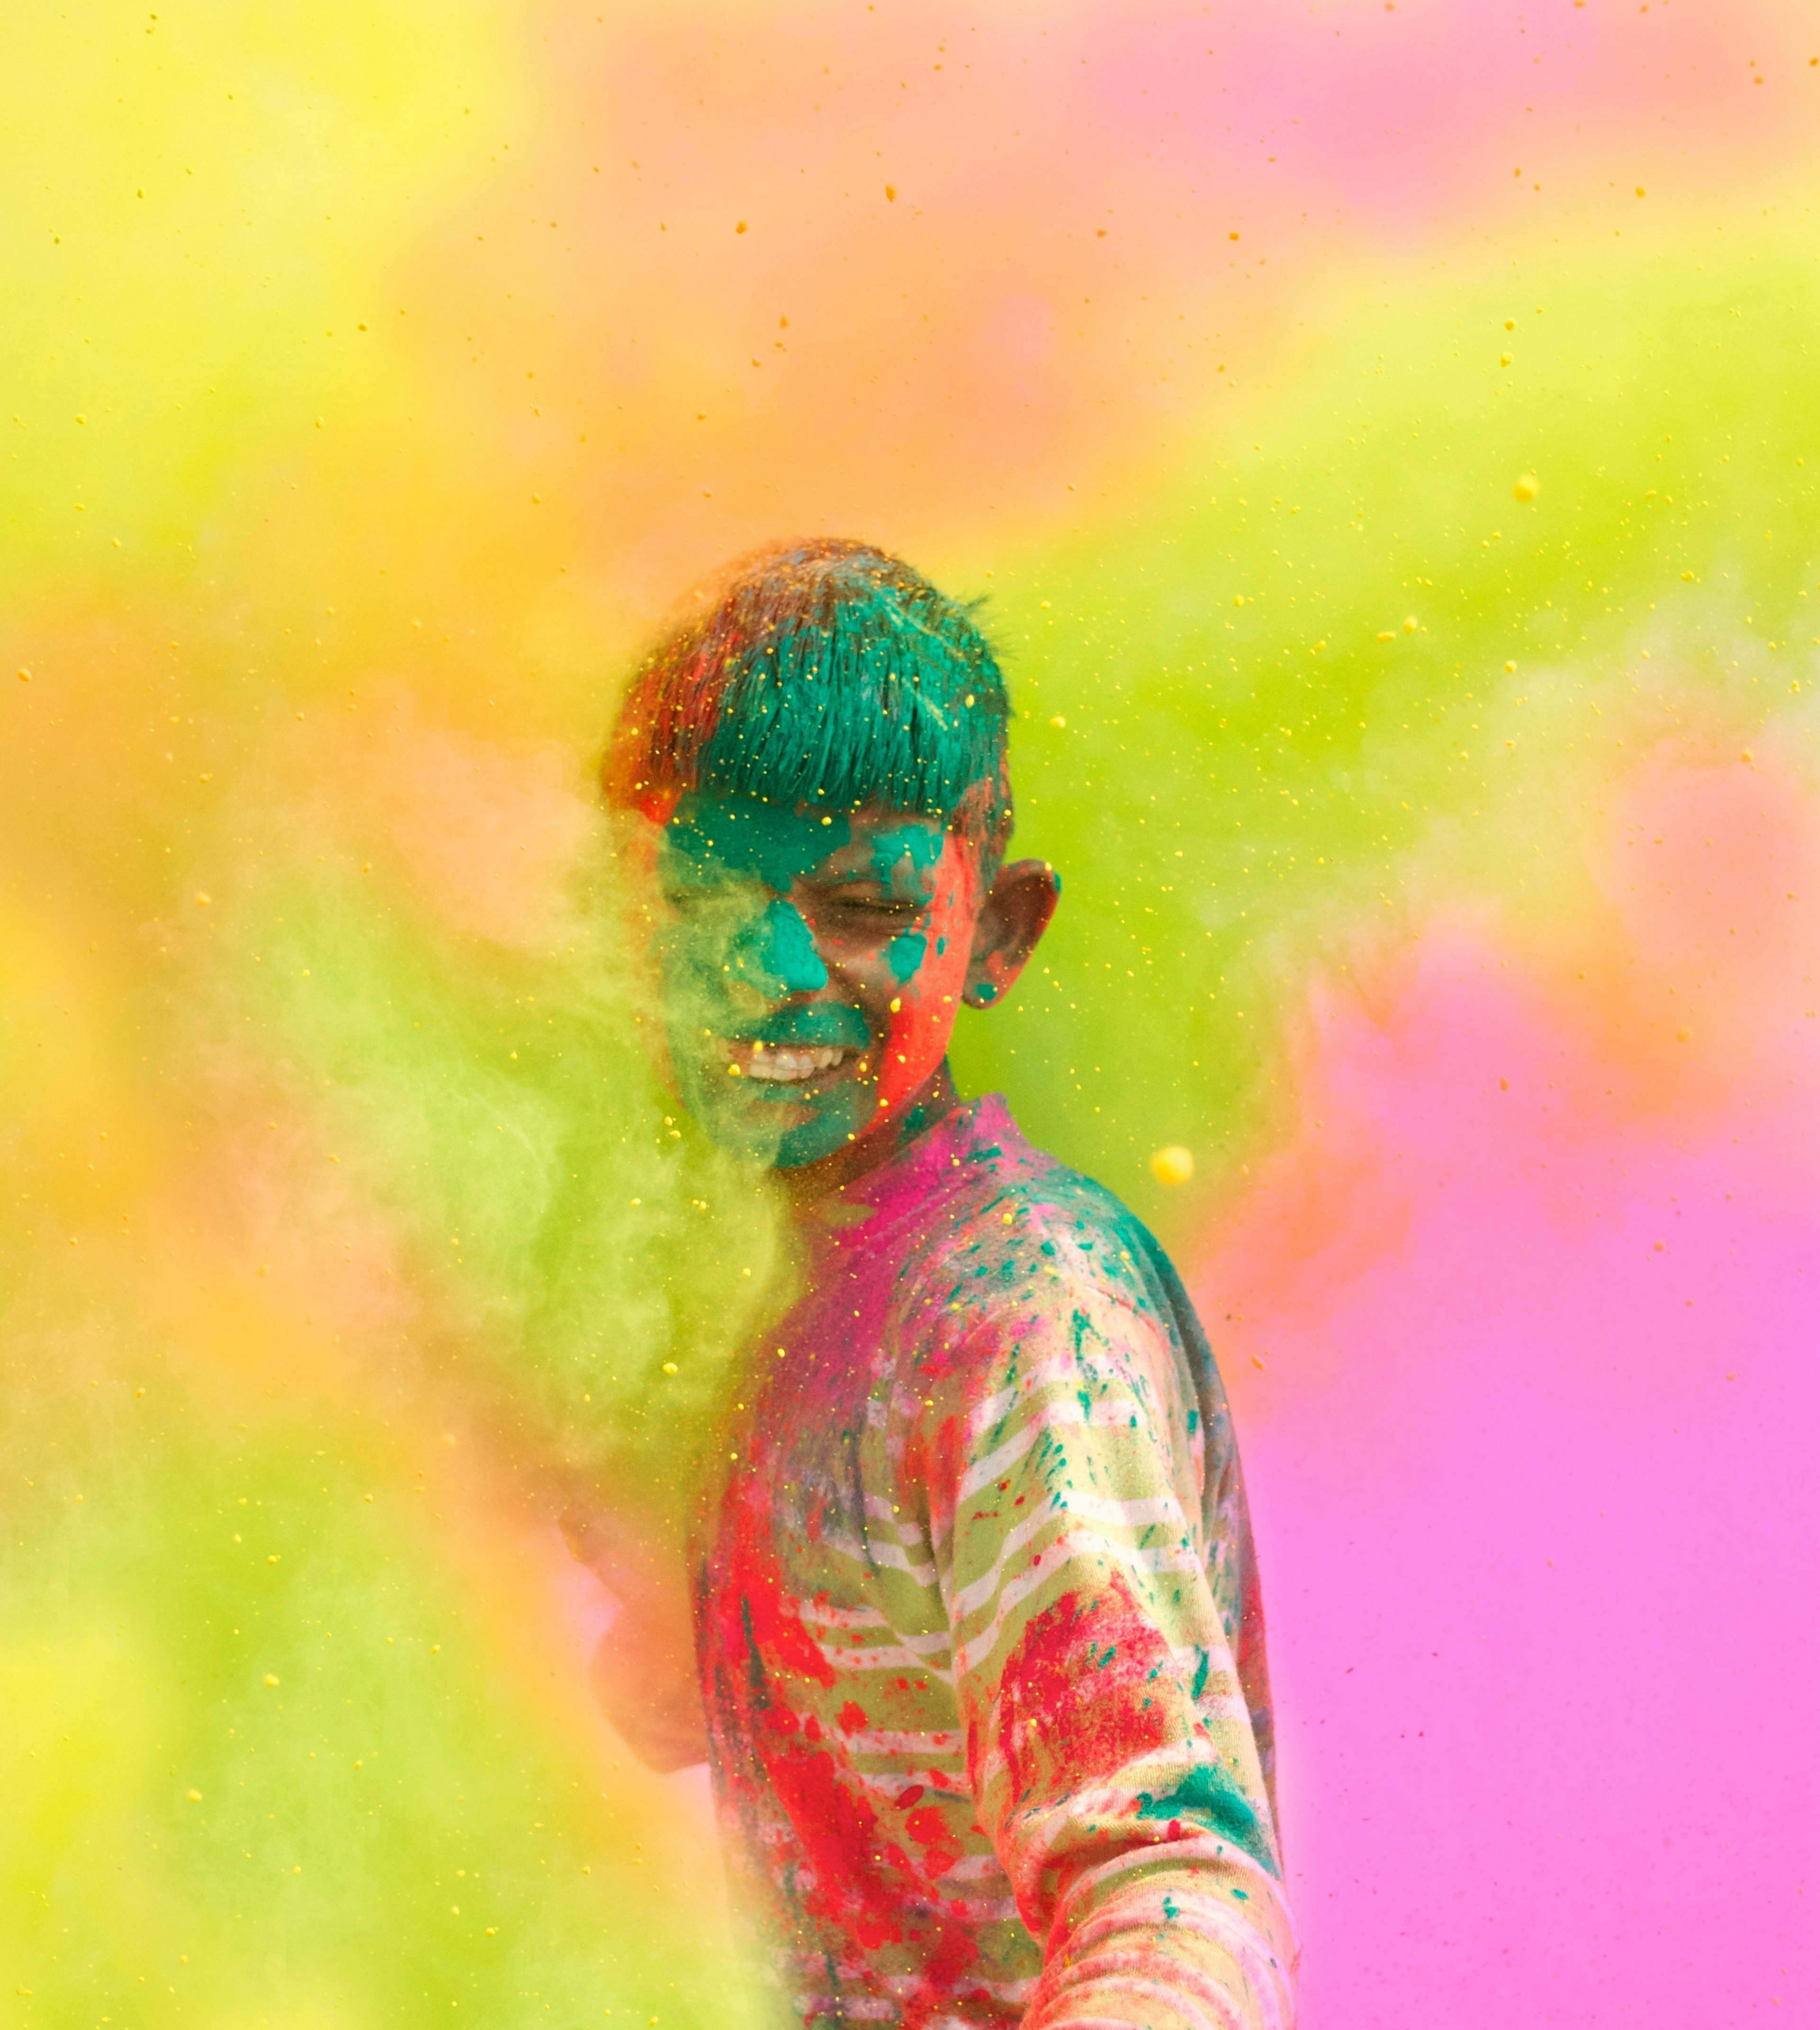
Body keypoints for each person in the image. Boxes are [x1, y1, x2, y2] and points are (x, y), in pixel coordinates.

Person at [587, 538, 1296, 2030]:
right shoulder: (763, 1298)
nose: (779, 965)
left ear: (1001, 933)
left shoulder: (1022, 1314)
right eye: (711, 898)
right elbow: (705, 1687)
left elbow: (1174, 1888)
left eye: (861, 906)